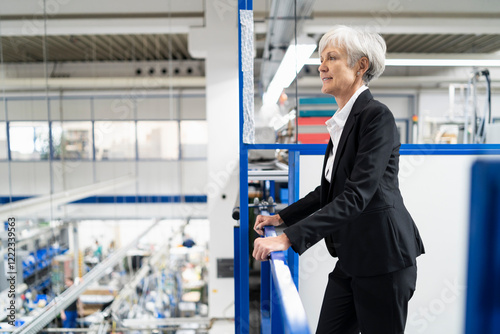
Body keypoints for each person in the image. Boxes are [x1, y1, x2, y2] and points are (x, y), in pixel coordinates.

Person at [253, 25, 425, 334]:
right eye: (321, 59)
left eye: (332, 57)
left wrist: (287, 237)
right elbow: (329, 190)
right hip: (353, 258)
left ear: (361, 66)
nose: (321, 66)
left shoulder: (376, 117)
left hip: (384, 259)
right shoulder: (343, 122)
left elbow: (357, 196)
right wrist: (280, 217)